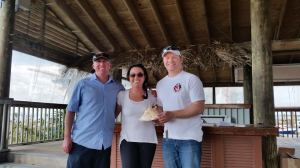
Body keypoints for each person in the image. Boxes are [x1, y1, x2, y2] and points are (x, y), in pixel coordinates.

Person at [63, 53, 124, 168]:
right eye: (98, 61)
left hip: (104, 146)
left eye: (104, 61)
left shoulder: (118, 88)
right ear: (93, 65)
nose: (101, 64)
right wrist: (67, 138)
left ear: (109, 65)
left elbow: (118, 107)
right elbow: (70, 111)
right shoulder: (82, 84)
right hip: (81, 143)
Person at [156, 45, 205, 168]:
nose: (170, 60)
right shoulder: (160, 84)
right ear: (163, 61)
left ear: (181, 59)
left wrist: (172, 114)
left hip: (189, 138)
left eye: (174, 57)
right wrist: (157, 115)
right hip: (168, 139)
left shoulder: (192, 79)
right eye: (167, 57)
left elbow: (199, 107)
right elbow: (161, 108)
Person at [116, 64, 157, 168]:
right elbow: (113, 115)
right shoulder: (122, 95)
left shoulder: (152, 97)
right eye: (132, 75)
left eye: (140, 75)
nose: (136, 78)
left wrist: (158, 117)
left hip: (148, 140)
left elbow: (157, 118)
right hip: (127, 140)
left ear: (144, 77)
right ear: (129, 78)